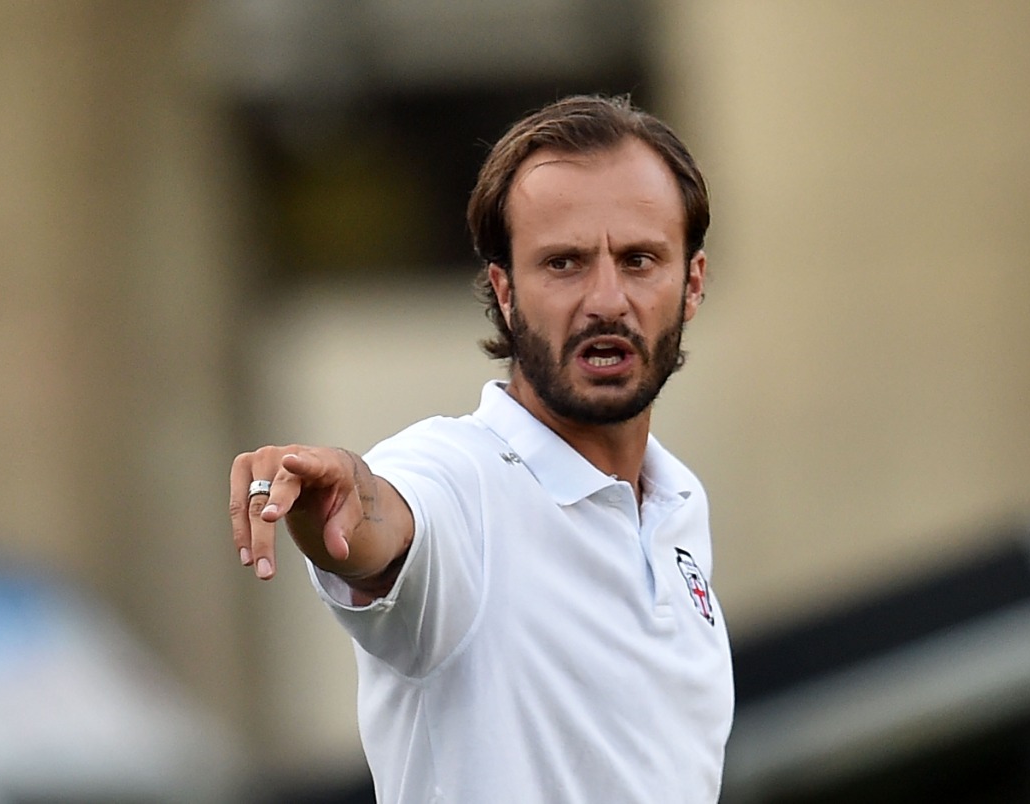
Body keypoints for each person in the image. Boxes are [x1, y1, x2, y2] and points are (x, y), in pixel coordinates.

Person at [229, 94, 734, 803]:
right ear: (505, 291)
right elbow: (392, 522)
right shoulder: (459, 478)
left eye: (640, 259)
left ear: (693, 284)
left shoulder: (678, 502)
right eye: (564, 263)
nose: (607, 299)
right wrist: (344, 494)